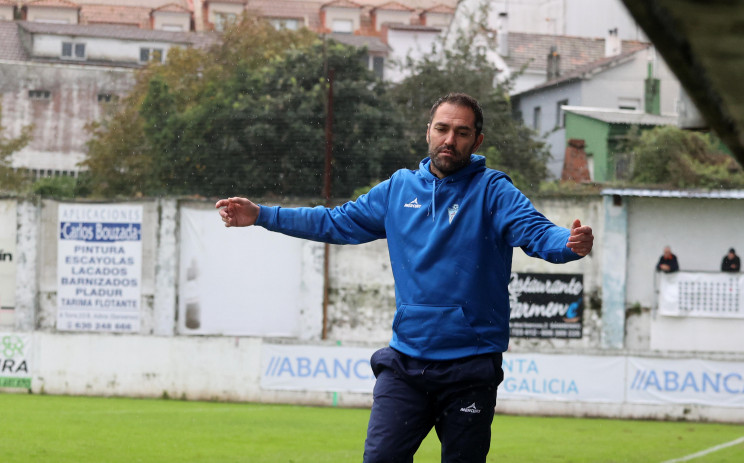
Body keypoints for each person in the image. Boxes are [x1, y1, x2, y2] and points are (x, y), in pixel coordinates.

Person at [216, 93, 594, 462]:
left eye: (462, 133)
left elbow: (537, 231)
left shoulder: (493, 191)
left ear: (477, 140)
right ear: (428, 131)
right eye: (442, 128)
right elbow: (334, 221)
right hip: (406, 364)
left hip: (470, 367)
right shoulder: (397, 189)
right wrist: (264, 215)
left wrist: (568, 243)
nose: (450, 139)